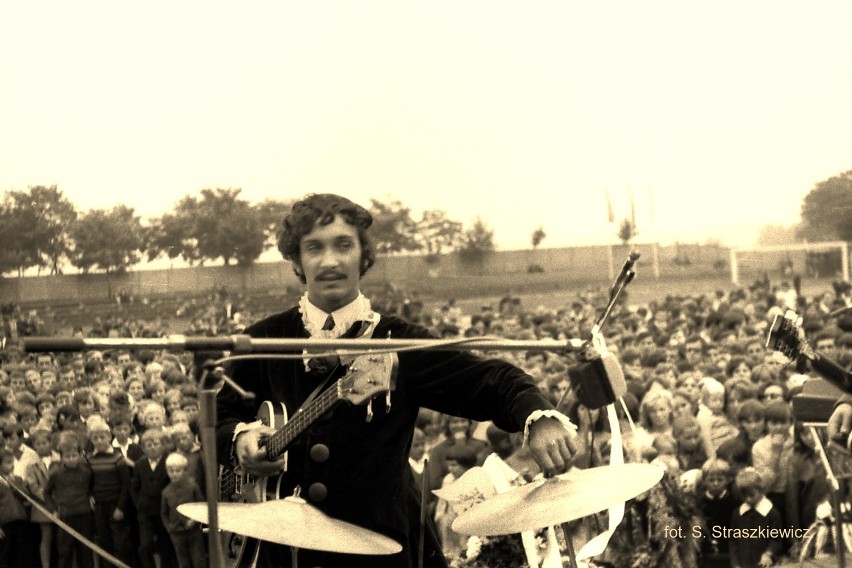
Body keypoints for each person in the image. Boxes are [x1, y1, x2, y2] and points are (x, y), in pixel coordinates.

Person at [215, 194, 577, 568]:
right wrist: (239, 439)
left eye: (344, 245)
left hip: (381, 551)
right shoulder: (264, 340)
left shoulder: (399, 340)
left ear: (363, 255)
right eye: (314, 248)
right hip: (284, 553)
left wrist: (539, 416)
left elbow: (492, 379)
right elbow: (217, 414)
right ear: (296, 259)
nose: (330, 261)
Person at [160, 453, 206, 568]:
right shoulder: (166, 492)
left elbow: (202, 506)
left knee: (198, 560)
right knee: (183, 562)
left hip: (194, 531)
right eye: (171, 471)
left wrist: (194, 520)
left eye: (177, 470)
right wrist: (169, 527)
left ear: (185, 471)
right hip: (176, 533)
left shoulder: (193, 487)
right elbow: (163, 513)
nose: (174, 474)